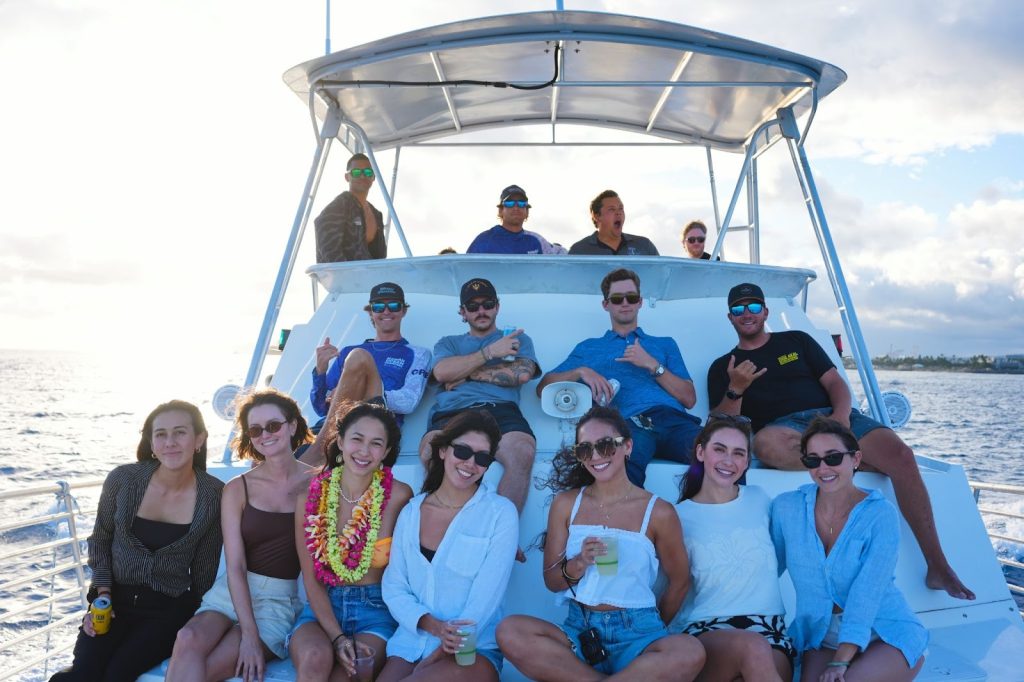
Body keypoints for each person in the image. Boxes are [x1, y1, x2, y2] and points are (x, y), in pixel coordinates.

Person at [706, 281, 974, 600]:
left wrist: (842, 417)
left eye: (753, 307)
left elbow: (835, 382)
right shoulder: (723, 367)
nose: (746, 314)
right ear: (730, 317)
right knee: (765, 445)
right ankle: (849, 460)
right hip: (782, 429)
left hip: (833, 415)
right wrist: (737, 387)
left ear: (765, 312)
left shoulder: (797, 340)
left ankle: (938, 565)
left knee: (902, 457)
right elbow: (724, 422)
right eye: (739, 309)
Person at [497, 406, 704, 681]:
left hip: (639, 632)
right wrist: (580, 563)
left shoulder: (659, 511)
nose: (595, 456)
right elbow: (552, 581)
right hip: (580, 631)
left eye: (606, 445)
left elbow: (679, 582)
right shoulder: (566, 504)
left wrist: (651, 629)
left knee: (689, 651)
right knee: (509, 631)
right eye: (585, 449)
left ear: (628, 446)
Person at [50, 401, 223, 682]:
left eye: (180, 432)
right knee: (83, 674)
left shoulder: (214, 494)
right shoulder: (123, 479)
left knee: (118, 675)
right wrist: (101, 598)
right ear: (151, 442)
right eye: (160, 434)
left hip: (168, 610)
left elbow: (206, 568)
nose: (170, 443)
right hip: (112, 602)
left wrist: (208, 623)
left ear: (199, 439)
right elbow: (100, 540)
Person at [166, 390, 314, 682]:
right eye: (255, 430)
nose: (265, 435)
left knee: (208, 670)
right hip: (232, 589)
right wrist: (249, 633)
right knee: (187, 636)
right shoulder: (238, 488)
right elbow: (235, 565)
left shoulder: (317, 482)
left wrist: (249, 636)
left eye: (273, 425)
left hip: (278, 600)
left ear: (292, 425)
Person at [770, 417, 928, 681]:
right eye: (813, 459)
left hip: (884, 631)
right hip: (821, 634)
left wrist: (840, 661)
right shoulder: (787, 507)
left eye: (833, 458)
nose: (823, 468)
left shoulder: (879, 513)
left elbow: (867, 592)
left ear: (855, 459)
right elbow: (767, 569)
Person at [379, 410, 519, 682]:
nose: (470, 463)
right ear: (443, 451)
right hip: (411, 642)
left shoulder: (500, 513)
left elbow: (486, 596)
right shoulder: (411, 512)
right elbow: (394, 585)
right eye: (463, 451)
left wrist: (444, 646)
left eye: (482, 458)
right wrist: (433, 627)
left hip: (473, 649)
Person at [537, 268, 701, 486]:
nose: (625, 303)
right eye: (617, 299)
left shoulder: (664, 344)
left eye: (631, 297)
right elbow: (543, 388)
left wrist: (652, 364)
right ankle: (627, 519)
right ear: (606, 304)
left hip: (675, 421)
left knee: (720, 453)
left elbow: (689, 399)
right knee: (623, 469)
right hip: (629, 424)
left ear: (640, 302)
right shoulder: (589, 348)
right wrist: (580, 371)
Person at [288, 401, 414, 682]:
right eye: (357, 439)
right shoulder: (309, 496)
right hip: (321, 608)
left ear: (387, 452)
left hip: (376, 609)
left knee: (357, 668)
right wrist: (337, 638)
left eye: (376, 443)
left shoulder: (401, 496)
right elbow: (311, 579)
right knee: (313, 659)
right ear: (341, 441)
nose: (364, 451)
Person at [674, 414, 793, 682]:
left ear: (746, 462)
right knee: (751, 648)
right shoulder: (678, 517)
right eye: (720, 449)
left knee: (756, 652)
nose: (729, 461)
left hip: (770, 632)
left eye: (739, 453)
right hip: (707, 629)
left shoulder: (759, 499)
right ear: (701, 452)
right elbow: (669, 584)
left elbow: (781, 555)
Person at [421, 277, 539, 513]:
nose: (481, 311)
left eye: (487, 304)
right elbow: (443, 371)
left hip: (501, 409)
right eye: (473, 307)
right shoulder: (448, 343)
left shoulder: (516, 338)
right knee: (430, 451)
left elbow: (522, 374)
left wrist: (468, 374)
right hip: (453, 411)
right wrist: (490, 353)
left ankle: (502, 533)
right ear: (463, 312)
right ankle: (446, 526)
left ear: (497, 306)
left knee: (522, 451)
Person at [303, 282, 431, 464]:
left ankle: (318, 452)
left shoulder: (418, 353)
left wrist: (358, 389)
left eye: (394, 306)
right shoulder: (346, 351)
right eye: (379, 306)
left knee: (360, 357)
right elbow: (321, 408)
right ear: (371, 312)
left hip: (376, 428)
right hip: (334, 426)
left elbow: (408, 402)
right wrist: (321, 372)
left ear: (403, 311)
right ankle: (321, 448)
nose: (386, 311)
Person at [315, 153, 386, 263]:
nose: (362, 176)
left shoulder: (377, 214)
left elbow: (380, 256)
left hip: (373, 276)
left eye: (367, 172)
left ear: (373, 177)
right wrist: (348, 276)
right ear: (347, 177)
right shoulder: (339, 206)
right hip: (345, 277)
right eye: (356, 172)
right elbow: (328, 250)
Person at [467, 185, 567, 254]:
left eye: (521, 203)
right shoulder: (484, 240)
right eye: (509, 203)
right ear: (501, 211)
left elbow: (563, 255)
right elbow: (466, 269)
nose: (516, 208)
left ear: (527, 211)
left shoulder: (537, 241)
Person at [568, 189, 659, 255]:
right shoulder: (579, 251)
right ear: (596, 216)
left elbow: (663, 277)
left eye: (621, 209)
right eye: (611, 209)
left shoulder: (644, 245)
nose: (618, 213)